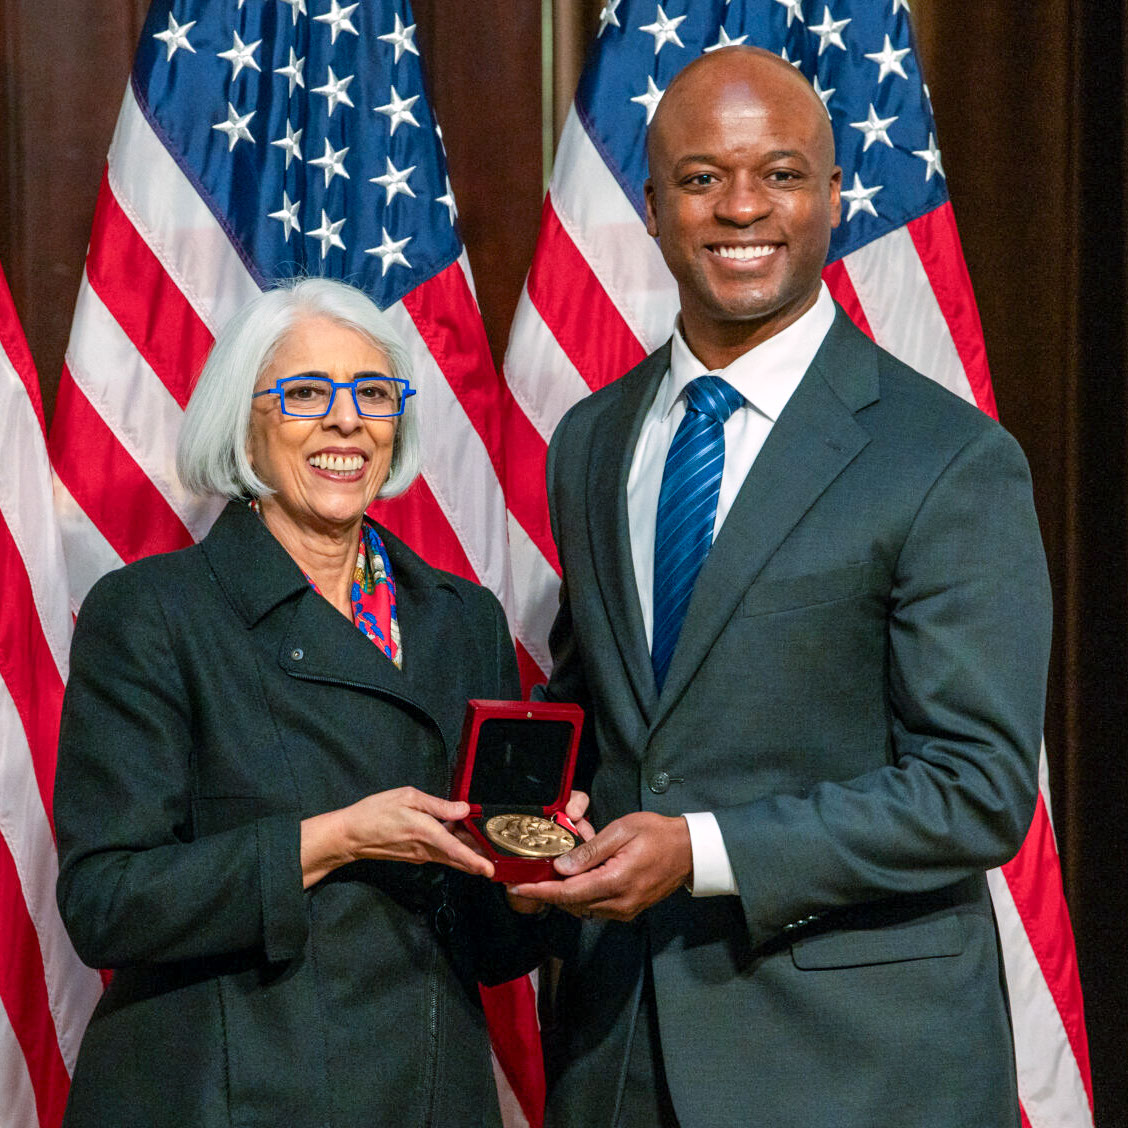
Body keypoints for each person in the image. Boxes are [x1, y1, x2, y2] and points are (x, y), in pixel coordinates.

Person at [509, 46, 1052, 1128]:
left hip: (855, 1072)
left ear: (834, 197)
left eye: (783, 174)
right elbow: (605, 724)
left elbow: (977, 788)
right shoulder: (589, 442)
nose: (741, 207)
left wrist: (702, 851)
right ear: (654, 206)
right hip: (619, 1056)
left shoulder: (947, 459)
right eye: (703, 178)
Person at [54, 277, 540, 1127]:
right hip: (230, 1091)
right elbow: (107, 901)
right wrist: (333, 840)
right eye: (307, 393)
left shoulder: (465, 619)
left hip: (426, 1088)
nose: (347, 421)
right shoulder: (153, 614)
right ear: (245, 422)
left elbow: (495, 943)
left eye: (374, 393)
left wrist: (535, 868)